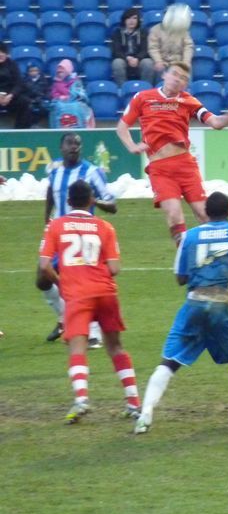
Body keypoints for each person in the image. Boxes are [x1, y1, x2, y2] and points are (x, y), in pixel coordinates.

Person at [134, 192, 228, 435]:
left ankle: (146, 414)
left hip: (194, 303)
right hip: (224, 304)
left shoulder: (190, 236)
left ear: (206, 212)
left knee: (168, 363)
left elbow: (180, 278)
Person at [38, 180, 140, 423]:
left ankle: (82, 399)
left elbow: (44, 266)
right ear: (91, 201)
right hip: (105, 292)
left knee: (78, 346)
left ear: (69, 201)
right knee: (115, 346)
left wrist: (63, 283)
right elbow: (115, 268)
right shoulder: (105, 227)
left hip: (77, 294)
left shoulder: (56, 226)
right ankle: (134, 403)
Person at [115, 61, 228, 245]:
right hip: (160, 169)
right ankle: (186, 261)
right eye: (175, 74)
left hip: (185, 165)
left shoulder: (188, 101)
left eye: (183, 78)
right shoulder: (143, 97)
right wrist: (131, 146)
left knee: (204, 214)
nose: (178, 80)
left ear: (186, 84)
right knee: (174, 215)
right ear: (164, 75)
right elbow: (122, 127)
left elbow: (215, 123)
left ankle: (220, 253)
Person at [37, 132, 117, 347]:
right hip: (57, 234)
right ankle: (66, 317)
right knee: (42, 279)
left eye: (78, 144)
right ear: (61, 147)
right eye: (70, 143)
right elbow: (51, 192)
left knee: (84, 284)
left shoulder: (92, 172)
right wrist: (47, 217)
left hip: (83, 235)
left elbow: (113, 205)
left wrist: (95, 201)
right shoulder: (55, 169)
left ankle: (91, 332)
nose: (74, 147)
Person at [147, 6, 194, 82]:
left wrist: (186, 61)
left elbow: (188, 46)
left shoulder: (183, 30)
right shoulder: (155, 30)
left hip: (178, 61)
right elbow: (153, 48)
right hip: (162, 60)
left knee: (186, 68)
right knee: (158, 68)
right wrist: (158, 61)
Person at [111, 7, 155, 87]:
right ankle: (123, 88)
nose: (131, 21)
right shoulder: (117, 33)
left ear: (138, 20)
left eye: (134, 18)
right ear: (124, 20)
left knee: (148, 63)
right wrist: (127, 58)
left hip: (139, 60)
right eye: (128, 18)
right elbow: (116, 51)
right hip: (124, 59)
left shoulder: (143, 32)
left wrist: (137, 58)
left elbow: (145, 50)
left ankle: (146, 88)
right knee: (117, 63)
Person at [49, 59, 95, 129]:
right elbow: (54, 94)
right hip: (61, 102)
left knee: (77, 106)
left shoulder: (76, 81)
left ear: (68, 70)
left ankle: (79, 128)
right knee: (58, 106)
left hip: (75, 101)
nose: (60, 73)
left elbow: (80, 93)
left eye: (62, 71)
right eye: (59, 72)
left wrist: (70, 96)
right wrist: (61, 97)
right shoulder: (56, 82)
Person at [0, 43, 34, 129]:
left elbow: (18, 83)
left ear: (6, 54)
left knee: (25, 102)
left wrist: (10, 95)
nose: (0, 54)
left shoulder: (12, 64)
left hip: (10, 96)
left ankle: (20, 132)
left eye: (3, 52)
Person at [22, 62, 50, 128]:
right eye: (31, 71)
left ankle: (36, 123)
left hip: (41, 99)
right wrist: (29, 100)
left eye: (35, 70)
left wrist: (40, 97)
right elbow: (22, 93)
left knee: (45, 108)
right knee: (27, 109)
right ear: (28, 72)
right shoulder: (24, 81)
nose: (34, 72)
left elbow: (46, 91)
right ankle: (28, 126)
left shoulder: (43, 80)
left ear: (38, 71)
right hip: (29, 100)